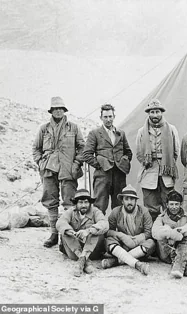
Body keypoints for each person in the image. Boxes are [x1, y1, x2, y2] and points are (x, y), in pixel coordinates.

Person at [32, 96, 85, 248]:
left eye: (61, 108)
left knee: (69, 202)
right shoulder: (44, 128)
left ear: (64, 110)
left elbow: (82, 147)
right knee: (50, 201)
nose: (58, 111)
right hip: (49, 169)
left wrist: (76, 163)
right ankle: (54, 234)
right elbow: (36, 149)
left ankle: (66, 236)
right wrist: (41, 163)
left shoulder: (73, 127)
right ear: (51, 111)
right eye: (55, 109)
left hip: (68, 169)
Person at [83, 103, 132, 215]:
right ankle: (99, 231)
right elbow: (86, 154)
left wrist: (123, 162)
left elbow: (128, 152)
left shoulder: (121, 133)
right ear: (101, 118)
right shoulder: (94, 133)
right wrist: (100, 165)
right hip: (102, 175)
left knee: (119, 205)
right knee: (100, 205)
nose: (108, 119)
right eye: (105, 117)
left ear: (114, 116)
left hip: (119, 175)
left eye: (110, 116)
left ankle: (116, 231)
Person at [136, 99, 180, 221]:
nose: (155, 115)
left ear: (162, 113)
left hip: (166, 172)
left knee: (169, 204)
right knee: (151, 206)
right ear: (148, 113)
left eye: (157, 112)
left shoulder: (171, 129)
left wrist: (166, 162)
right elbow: (139, 153)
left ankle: (167, 232)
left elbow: (176, 151)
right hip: (149, 171)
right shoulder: (141, 131)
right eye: (152, 112)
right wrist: (148, 161)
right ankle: (152, 234)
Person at [100, 185, 156, 275]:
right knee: (108, 241)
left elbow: (149, 232)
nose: (129, 202)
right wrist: (122, 236)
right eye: (126, 199)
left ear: (136, 201)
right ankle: (138, 264)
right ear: (122, 201)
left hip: (138, 246)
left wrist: (135, 240)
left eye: (132, 199)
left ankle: (116, 261)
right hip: (122, 245)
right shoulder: (116, 211)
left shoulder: (144, 211)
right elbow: (108, 231)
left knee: (151, 243)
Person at [56, 189, 109, 277]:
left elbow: (105, 224)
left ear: (90, 203)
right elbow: (60, 223)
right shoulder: (71, 212)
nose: (84, 205)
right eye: (80, 202)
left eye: (86, 202)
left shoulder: (96, 211)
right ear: (76, 204)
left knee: (95, 231)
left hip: (93, 251)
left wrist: (88, 231)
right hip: (75, 251)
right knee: (65, 232)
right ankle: (84, 260)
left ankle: (81, 261)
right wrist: (71, 232)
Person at [152, 190, 187, 278]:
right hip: (166, 253)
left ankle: (177, 268)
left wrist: (180, 231)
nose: (174, 207)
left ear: (181, 205)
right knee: (164, 229)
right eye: (171, 204)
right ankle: (184, 265)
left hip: (184, 248)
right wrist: (171, 233)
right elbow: (155, 232)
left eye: (176, 204)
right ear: (167, 205)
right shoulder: (161, 217)